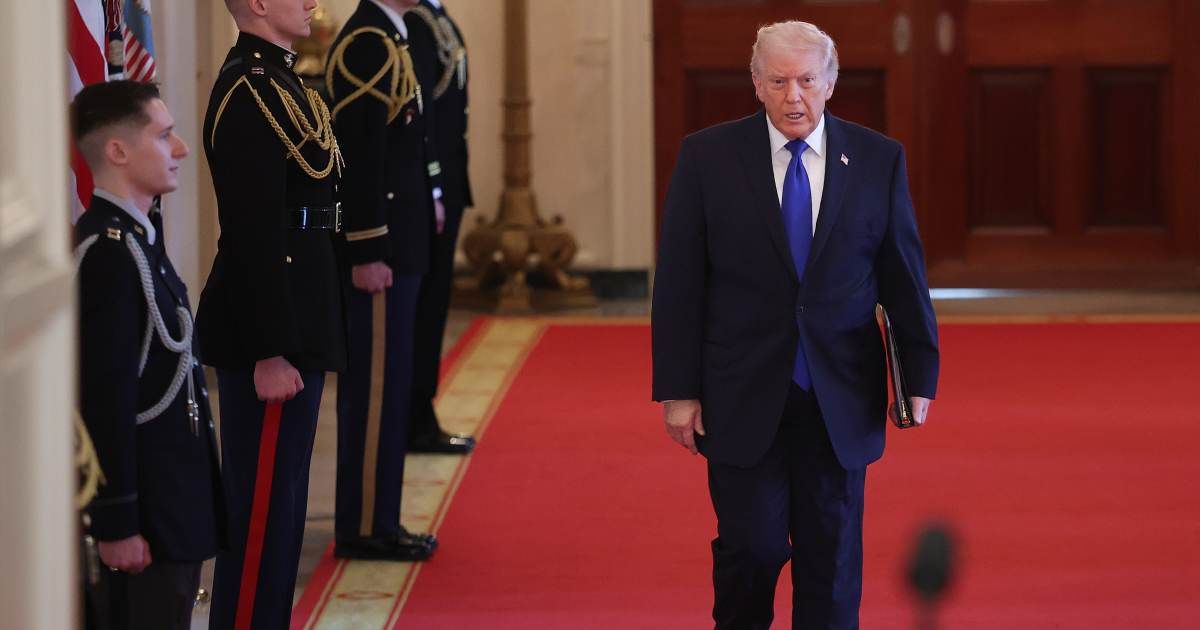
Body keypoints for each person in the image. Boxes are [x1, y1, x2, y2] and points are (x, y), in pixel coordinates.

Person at [651, 21, 940, 629]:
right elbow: (680, 284)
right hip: (741, 388)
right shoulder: (708, 158)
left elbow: (902, 275)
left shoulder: (876, 159)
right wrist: (679, 391)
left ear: (831, 82)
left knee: (832, 562)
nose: (794, 97)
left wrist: (919, 373)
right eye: (778, 81)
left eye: (807, 80)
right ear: (756, 84)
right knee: (751, 548)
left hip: (840, 391)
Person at [197, 0, 346, 626]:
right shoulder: (247, 88)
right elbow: (255, 232)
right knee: (261, 511)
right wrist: (271, 347)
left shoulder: (286, 81)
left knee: (284, 503)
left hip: (302, 311)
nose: (313, 1)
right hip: (272, 328)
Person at [73, 79, 225, 630]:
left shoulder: (138, 242)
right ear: (117, 151)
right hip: (147, 517)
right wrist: (117, 522)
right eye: (164, 136)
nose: (180, 148)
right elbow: (103, 397)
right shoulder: (108, 256)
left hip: (174, 507)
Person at [323, 0, 440, 561]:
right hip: (383, 247)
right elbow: (361, 156)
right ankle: (366, 524)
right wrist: (366, 246)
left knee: (393, 388)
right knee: (375, 394)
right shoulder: (366, 43)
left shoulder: (392, 38)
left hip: (404, 242)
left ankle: (382, 516)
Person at [403, 0, 477, 454]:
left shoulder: (435, 16)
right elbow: (421, 113)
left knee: (433, 305)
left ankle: (420, 411)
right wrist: (431, 184)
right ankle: (414, 416)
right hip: (432, 187)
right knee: (423, 308)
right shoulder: (415, 21)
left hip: (447, 182)